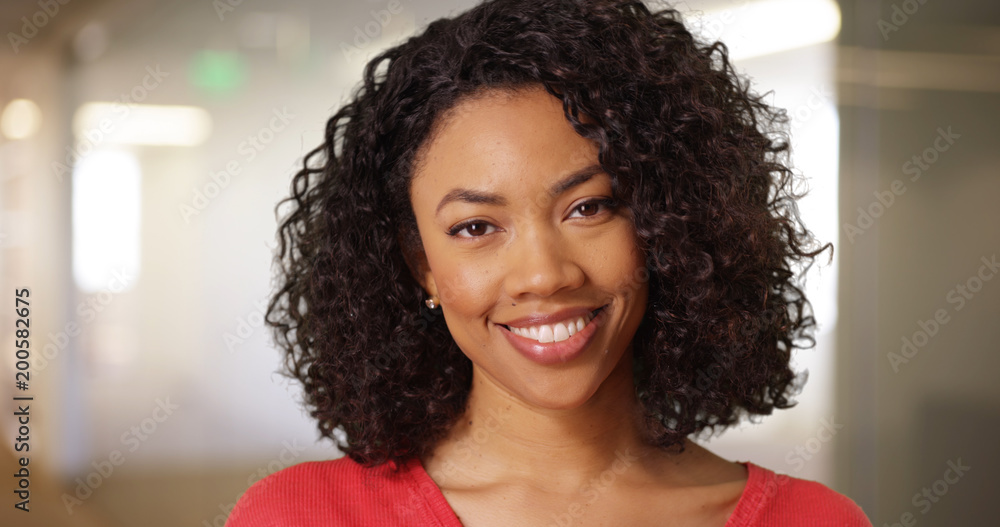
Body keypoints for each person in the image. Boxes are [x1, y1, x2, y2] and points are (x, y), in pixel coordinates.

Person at [227, 0, 872, 525]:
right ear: (419, 264)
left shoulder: (815, 519)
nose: (544, 274)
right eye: (476, 226)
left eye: (589, 208)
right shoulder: (302, 515)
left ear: (666, 224)